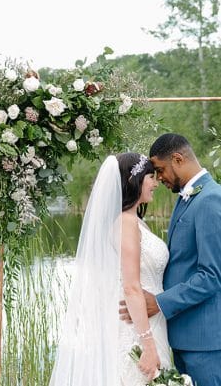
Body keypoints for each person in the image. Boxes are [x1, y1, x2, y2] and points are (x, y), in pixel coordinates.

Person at [49, 153, 171, 385]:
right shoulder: (126, 222)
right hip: (138, 331)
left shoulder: (135, 221)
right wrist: (147, 345)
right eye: (150, 178)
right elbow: (132, 287)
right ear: (133, 181)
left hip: (151, 322)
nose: (155, 183)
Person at [120, 133, 221, 385]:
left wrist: (160, 302)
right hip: (180, 335)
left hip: (205, 342)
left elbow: (211, 275)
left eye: (161, 170)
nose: (159, 178)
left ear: (177, 159)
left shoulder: (210, 200)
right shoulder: (186, 198)